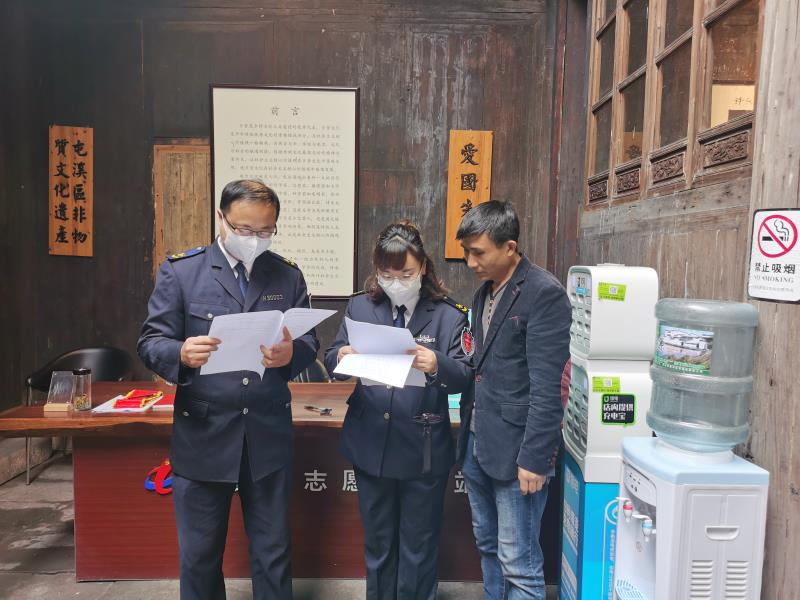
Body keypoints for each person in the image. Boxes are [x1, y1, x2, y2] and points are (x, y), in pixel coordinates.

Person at [137, 179, 319, 600]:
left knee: (273, 552)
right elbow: (150, 342)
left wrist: (291, 354)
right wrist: (181, 352)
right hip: (204, 433)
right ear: (221, 218)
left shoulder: (287, 274)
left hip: (266, 433)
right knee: (200, 555)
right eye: (244, 229)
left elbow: (310, 341)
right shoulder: (183, 272)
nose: (255, 239)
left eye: (266, 231)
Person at [324, 221, 473, 600]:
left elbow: (464, 375)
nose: (396, 282)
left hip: (423, 445)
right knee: (378, 544)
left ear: (422, 267)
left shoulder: (449, 314)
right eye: (387, 274)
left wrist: (436, 363)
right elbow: (332, 357)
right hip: (371, 440)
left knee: (418, 547)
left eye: (405, 274)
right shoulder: (361, 305)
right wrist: (341, 356)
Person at [455, 201, 571, 599]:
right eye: (467, 252)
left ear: (510, 247)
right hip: (478, 443)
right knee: (488, 547)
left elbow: (549, 387)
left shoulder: (543, 294)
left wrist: (536, 458)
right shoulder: (484, 292)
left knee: (519, 563)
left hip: (519, 452)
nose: (470, 262)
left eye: (478, 252)